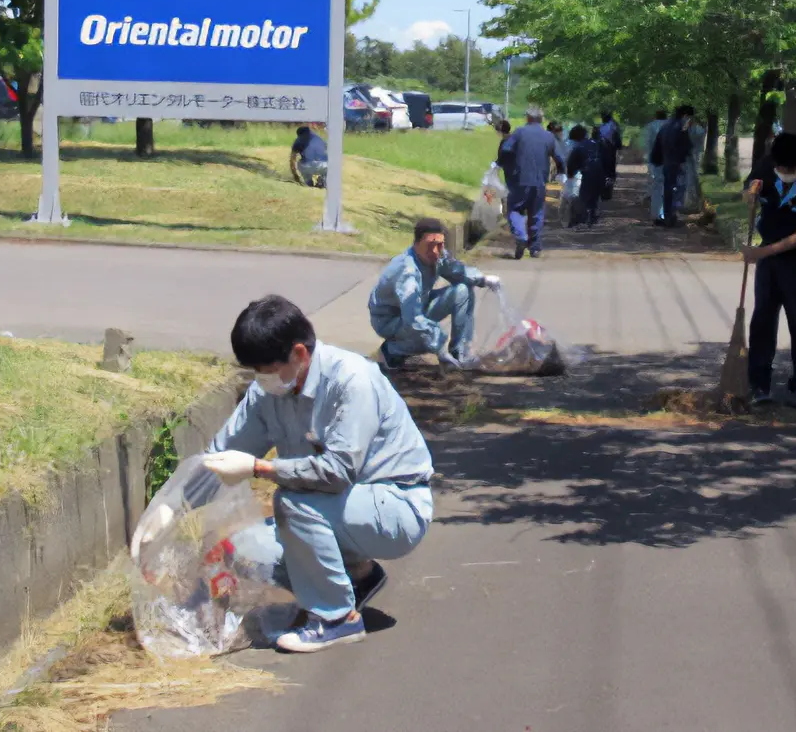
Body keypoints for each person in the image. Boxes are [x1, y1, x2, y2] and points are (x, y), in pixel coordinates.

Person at [150, 295, 437, 653]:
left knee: (293, 501)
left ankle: (336, 619)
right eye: (256, 372)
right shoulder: (266, 392)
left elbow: (336, 472)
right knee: (243, 551)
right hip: (337, 508)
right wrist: (172, 504)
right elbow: (221, 457)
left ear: (300, 354)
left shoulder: (352, 380)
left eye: (268, 370)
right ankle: (359, 575)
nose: (262, 380)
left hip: (395, 505)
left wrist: (259, 468)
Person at [742, 132, 796, 410]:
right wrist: (750, 195)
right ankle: (759, 384)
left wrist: (760, 253)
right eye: (783, 168)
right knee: (763, 320)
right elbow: (748, 194)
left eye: (793, 169)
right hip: (769, 254)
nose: (787, 173)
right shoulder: (766, 167)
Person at [369, 217, 501, 369]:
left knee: (462, 291)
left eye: (439, 245)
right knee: (427, 339)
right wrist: (438, 345)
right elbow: (413, 319)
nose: (435, 251)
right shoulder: (407, 272)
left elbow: (455, 270)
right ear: (416, 243)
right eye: (429, 245)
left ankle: (460, 354)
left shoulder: (437, 255)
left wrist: (482, 279)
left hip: (417, 305)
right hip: (389, 320)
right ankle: (392, 350)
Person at [507, 106, 566, 258]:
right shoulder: (548, 136)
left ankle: (521, 236)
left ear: (528, 118)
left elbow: (506, 150)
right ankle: (535, 248)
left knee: (515, 208)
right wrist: (561, 172)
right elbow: (559, 158)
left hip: (520, 179)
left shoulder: (519, 132)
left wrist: (508, 165)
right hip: (540, 181)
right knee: (537, 212)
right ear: (541, 119)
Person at [653, 105, 693, 227]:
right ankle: (671, 215)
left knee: (667, 189)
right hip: (677, 163)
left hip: (666, 162)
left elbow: (657, 145)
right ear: (685, 116)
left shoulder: (665, 126)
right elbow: (686, 147)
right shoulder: (681, 128)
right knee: (678, 189)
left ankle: (666, 215)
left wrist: (658, 160)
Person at [565, 124, 604, 227]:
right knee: (594, 196)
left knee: (584, 196)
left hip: (588, 173)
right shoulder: (595, 143)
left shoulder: (578, 148)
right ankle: (592, 216)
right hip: (600, 172)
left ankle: (580, 219)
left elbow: (571, 165)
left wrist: (570, 175)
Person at [640, 109, 668, 222]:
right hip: (668, 159)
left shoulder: (650, 126)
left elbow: (647, 143)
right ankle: (665, 213)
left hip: (655, 159)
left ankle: (655, 213)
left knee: (656, 185)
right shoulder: (670, 126)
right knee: (667, 186)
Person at [680, 113, 706, 213]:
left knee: (692, 180)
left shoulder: (697, 130)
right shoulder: (696, 129)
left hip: (694, 156)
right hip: (692, 156)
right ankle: (693, 204)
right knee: (690, 180)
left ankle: (692, 205)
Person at [597, 111, 621, 198]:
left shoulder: (604, 126)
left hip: (606, 150)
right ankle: (606, 192)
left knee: (605, 171)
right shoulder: (613, 125)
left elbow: (616, 139)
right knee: (609, 172)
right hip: (609, 151)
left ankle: (605, 192)